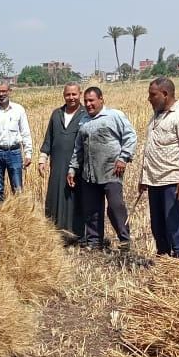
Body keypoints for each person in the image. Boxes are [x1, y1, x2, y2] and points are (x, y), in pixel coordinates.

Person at [68, 86, 137, 251]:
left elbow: (130, 136)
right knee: (92, 210)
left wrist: (123, 157)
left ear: (101, 100)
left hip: (111, 170)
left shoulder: (114, 116)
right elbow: (78, 148)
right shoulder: (83, 120)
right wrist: (72, 169)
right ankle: (94, 242)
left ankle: (124, 240)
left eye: (91, 100)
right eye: (86, 101)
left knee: (115, 207)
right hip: (89, 173)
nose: (88, 104)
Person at [138, 76, 179, 259]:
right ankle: (164, 263)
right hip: (154, 182)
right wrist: (144, 177)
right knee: (158, 229)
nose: (149, 98)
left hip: (172, 182)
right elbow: (152, 149)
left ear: (165, 94)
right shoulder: (156, 116)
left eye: (152, 95)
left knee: (176, 229)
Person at [38, 82, 88, 240]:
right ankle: (56, 232)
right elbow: (49, 139)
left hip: (78, 165)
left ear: (80, 94)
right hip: (58, 164)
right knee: (57, 195)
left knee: (76, 197)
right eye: (68, 94)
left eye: (74, 94)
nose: (71, 98)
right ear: (63, 95)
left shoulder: (85, 114)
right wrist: (42, 159)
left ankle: (77, 233)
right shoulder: (56, 114)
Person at [0, 81, 32, 202]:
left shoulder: (19, 110)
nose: (1, 94)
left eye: (4, 91)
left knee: (17, 188)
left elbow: (25, 132)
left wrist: (28, 153)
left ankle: (20, 216)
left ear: (9, 91)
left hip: (14, 152)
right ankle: (1, 216)